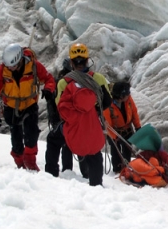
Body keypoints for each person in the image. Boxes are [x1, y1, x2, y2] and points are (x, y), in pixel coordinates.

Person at [0, 43, 55, 171]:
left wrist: (49, 89)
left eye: (13, 66)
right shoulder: (2, 71)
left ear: (20, 59)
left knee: (32, 134)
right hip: (11, 108)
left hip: (30, 104)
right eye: (8, 66)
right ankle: (20, 164)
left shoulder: (34, 66)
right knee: (16, 140)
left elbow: (49, 79)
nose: (11, 68)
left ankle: (30, 162)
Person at [56, 43, 112, 186]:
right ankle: (96, 184)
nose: (80, 63)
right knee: (94, 153)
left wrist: (76, 115)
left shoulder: (65, 81)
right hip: (94, 123)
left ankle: (55, 174)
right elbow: (106, 101)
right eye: (79, 61)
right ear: (88, 60)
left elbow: (61, 107)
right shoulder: (98, 78)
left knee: (55, 140)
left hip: (74, 125)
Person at [44, 58, 74, 177]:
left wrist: (53, 119)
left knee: (58, 142)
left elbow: (51, 102)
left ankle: (55, 170)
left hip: (58, 118)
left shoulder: (57, 81)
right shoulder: (70, 82)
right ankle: (68, 170)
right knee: (68, 144)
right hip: (66, 118)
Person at [103, 81, 141, 174]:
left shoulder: (128, 99)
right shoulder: (108, 104)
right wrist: (114, 137)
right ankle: (117, 169)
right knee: (115, 149)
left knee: (127, 148)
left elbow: (134, 112)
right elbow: (107, 124)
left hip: (126, 129)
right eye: (127, 93)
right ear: (121, 96)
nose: (129, 94)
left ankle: (127, 167)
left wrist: (138, 127)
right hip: (113, 131)